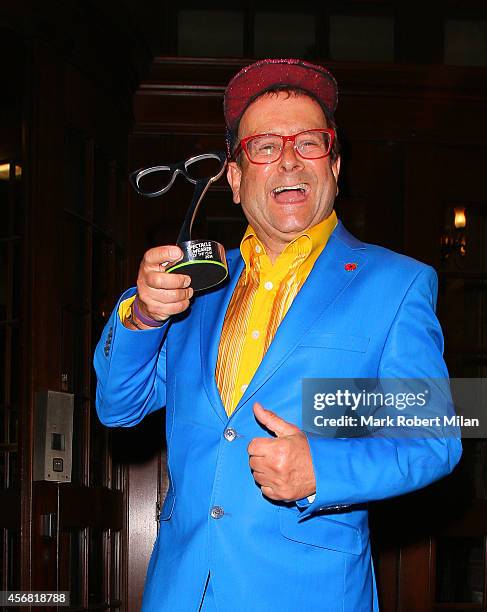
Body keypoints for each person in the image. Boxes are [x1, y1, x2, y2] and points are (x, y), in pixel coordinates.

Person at [94, 58, 462, 612]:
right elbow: (118, 407)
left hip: (308, 593)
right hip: (180, 592)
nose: (288, 158)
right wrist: (142, 316)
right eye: (264, 146)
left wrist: (322, 471)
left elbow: (433, 441)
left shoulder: (397, 286)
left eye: (310, 142)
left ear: (335, 167)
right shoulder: (199, 286)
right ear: (237, 181)